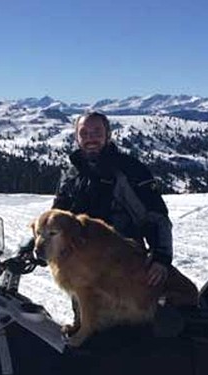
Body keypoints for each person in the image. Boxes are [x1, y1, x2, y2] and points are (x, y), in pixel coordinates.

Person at [52, 111, 174, 287]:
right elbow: (57, 216)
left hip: (123, 266)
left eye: (96, 132)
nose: (90, 138)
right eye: (84, 133)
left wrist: (161, 258)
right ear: (76, 138)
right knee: (86, 314)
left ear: (108, 135)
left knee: (123, 314)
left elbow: (156, 216)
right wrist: (38, 241)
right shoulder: (71, 173)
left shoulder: (130, 170)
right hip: (81, 266)